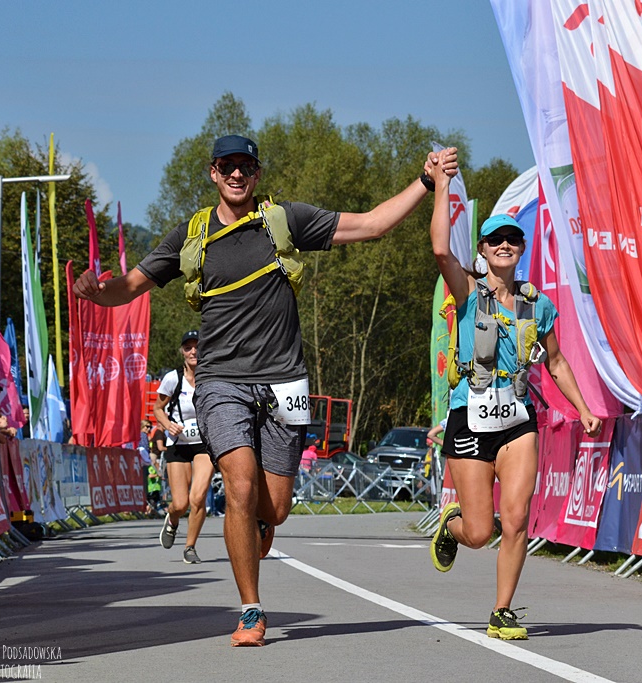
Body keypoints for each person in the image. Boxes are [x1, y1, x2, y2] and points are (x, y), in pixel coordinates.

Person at [74, 134, 458, 647]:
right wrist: (96, 293)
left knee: (274, 508)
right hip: (221, 381)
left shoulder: (284, 220)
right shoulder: (191, 236)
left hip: (284, 381)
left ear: (256, 174)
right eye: (227, 166)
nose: (237, 174)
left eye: (246, 166)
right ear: (213, 172)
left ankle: (260, 523)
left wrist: (426, 181)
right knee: (239, 485)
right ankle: (251, 610)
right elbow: (128, 287)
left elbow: (372, 224)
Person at [426, 159, 601, 641]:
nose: (505, 244)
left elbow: (556, 362)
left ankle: (502, 611)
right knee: (479, 532)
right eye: (495, 239)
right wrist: (440, 185)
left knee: (518, 518)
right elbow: (440, 247)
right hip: (470, 415)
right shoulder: (467, 291)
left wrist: (583, 409)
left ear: (521, 248)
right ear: (482, 250)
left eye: (513, 239)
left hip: (518, 419)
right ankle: (452, 525)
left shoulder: (537, 304)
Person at [152, 330, 213, 565]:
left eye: (197, 347)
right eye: (188, 348)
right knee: (180, 503)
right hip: (178, 444)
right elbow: (158, 409)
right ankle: (173, 519)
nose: (193, 351)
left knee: (198, 497)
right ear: (182, 352)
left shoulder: (211, 377)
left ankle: (190, 547)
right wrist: (168, 425)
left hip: (203, 445)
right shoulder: (172, 379)